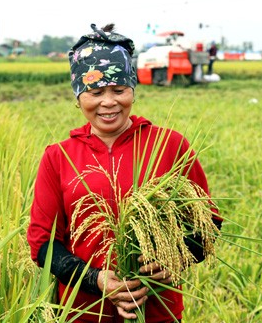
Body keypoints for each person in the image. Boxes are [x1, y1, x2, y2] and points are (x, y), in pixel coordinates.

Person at [27, 23, 221, 322]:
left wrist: (175, 259)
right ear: (78, 98)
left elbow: (208, 222)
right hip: (82, 312)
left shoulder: (167, 145)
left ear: (132, 91)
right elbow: (43, 244)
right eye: (95, 92)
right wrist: (95, 279)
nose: (109, 102)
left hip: (158, 310)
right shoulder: (59, 156)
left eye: (119, 90)